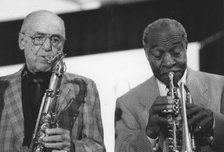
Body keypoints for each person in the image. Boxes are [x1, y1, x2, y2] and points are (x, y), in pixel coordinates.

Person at [0, 10, 105, 152]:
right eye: (39, 37)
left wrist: (73, 147)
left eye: (55, 40)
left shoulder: (85, 86)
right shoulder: (2, 88)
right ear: (21, 41)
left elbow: (98, 148)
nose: (47, 47)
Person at [115, 18, 224, 152]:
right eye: (157, 55)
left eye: (176, 53)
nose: (168, 62)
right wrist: (149, 132)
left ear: (186, 46)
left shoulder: (220, 86)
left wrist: (214, 124)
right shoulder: (126, 103)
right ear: (146, 54)